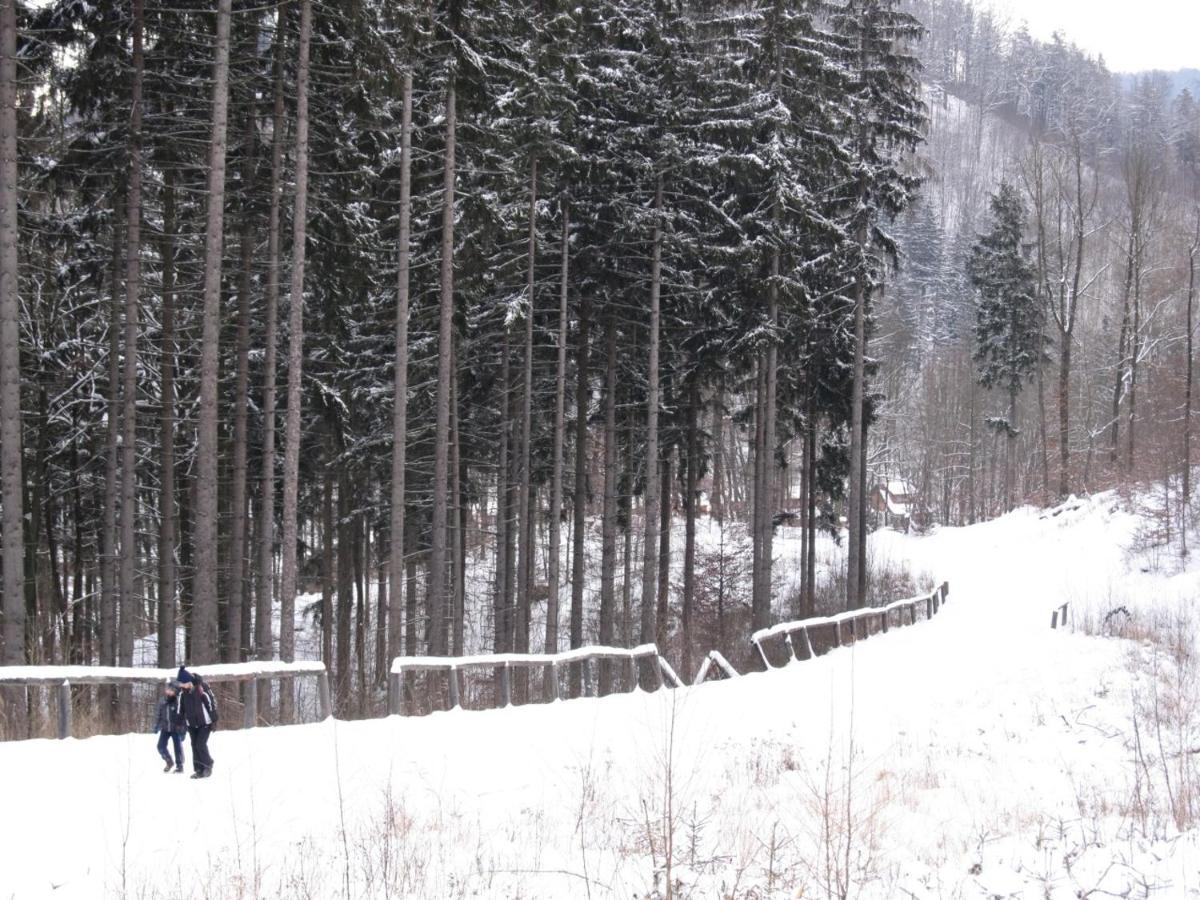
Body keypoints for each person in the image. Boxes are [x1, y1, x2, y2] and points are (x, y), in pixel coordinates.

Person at [176, 666, 217, 779]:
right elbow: (181, 708)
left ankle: (208, 765)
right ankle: (199, 769)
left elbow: (211, 703)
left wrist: (214, 720)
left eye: (182, 684)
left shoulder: (202, 688)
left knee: (200, 744)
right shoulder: (183, 693)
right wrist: (179, 722)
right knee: (194, 745)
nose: (181, 686)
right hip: (192, 724)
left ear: (188, 682)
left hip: (205, 723)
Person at [153, 681, 186, 773]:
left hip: (177, 728)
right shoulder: (162, 700)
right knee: (160, 746)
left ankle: (180, 766)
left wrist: (183, 730)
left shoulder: (179, 701)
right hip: (165, 728)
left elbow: (184, 716)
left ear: (175, 691)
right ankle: (169, 761)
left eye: (171, 690)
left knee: (178, 747)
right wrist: (156, 725)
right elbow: (158, 714)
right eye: (167, 690)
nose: (168, 692)